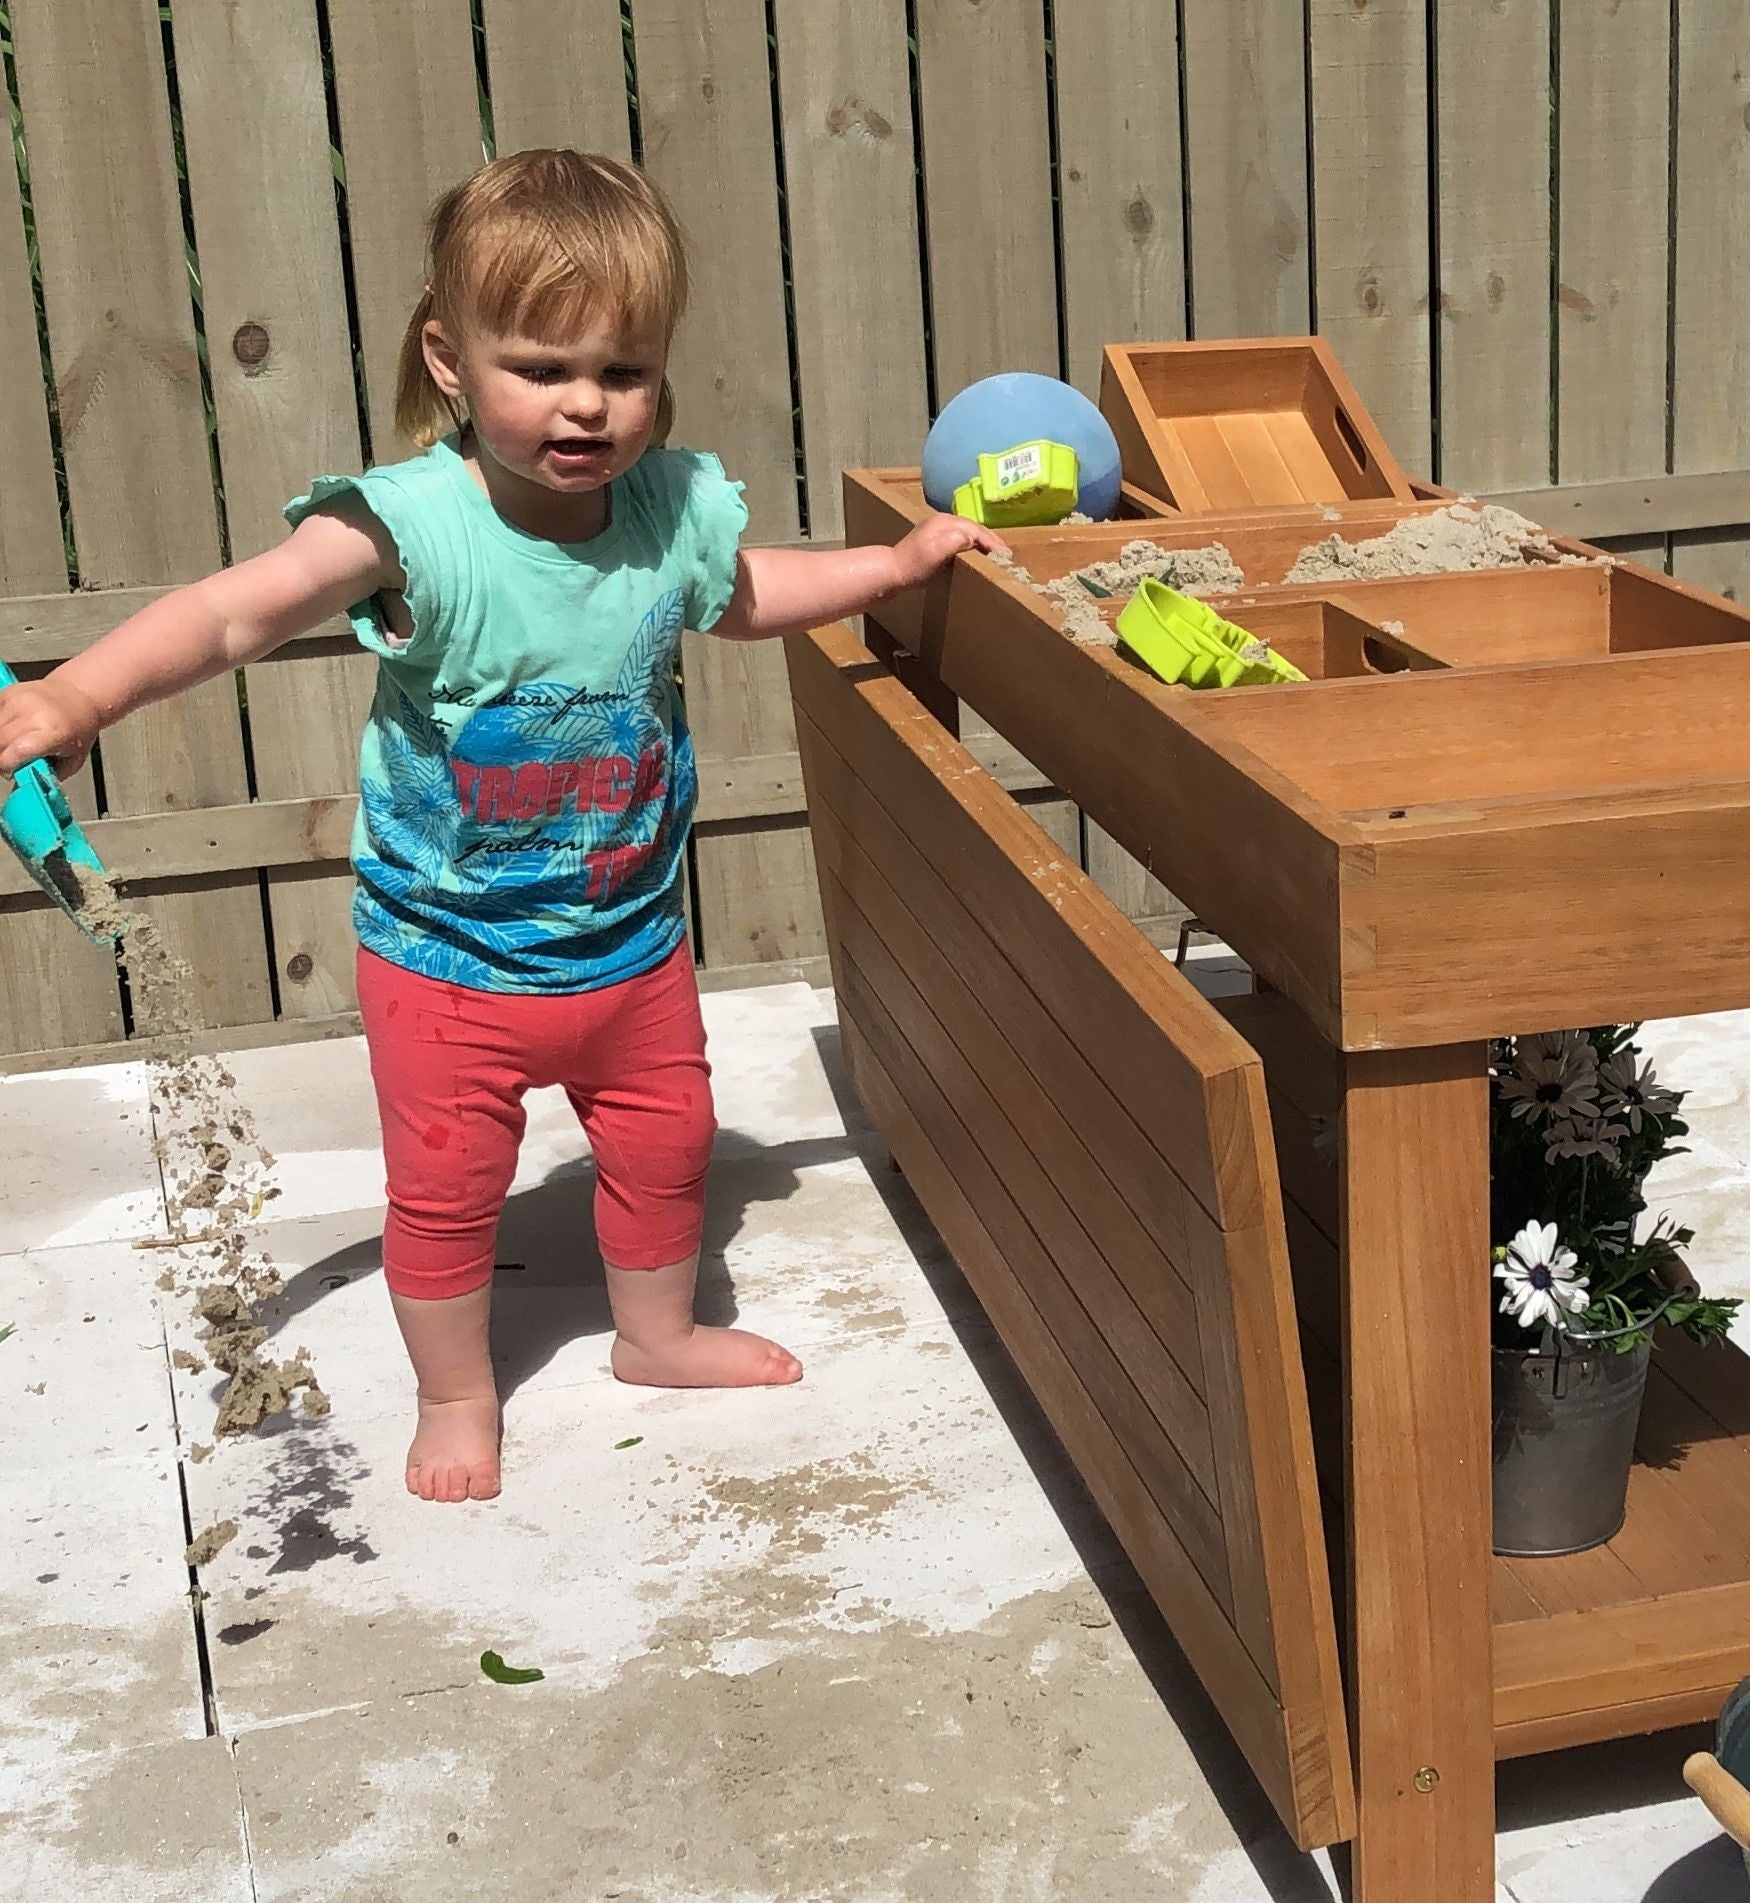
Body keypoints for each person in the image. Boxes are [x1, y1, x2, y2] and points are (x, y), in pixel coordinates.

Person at [0, 150, 1004, 1504]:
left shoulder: (666, 513)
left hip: (629, 949)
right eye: (541, 366)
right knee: (449, 1191)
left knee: (666, 1147)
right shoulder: (415, 525)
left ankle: (656, 1337)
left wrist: (887, 566)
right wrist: (75, 693)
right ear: (453, 360)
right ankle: (459, 1393)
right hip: (443, 963)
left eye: (623, 370)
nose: (585, 403)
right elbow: (234, 612)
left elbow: (749, 590)